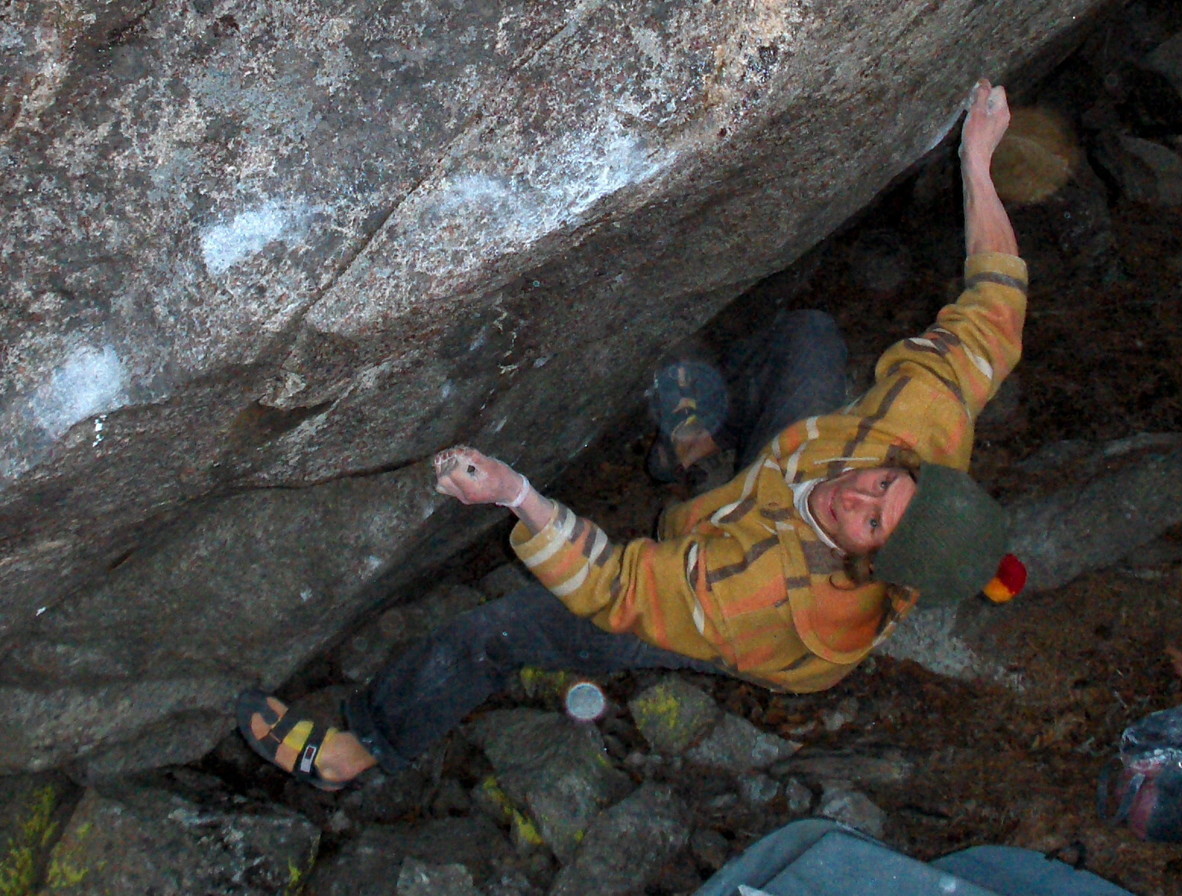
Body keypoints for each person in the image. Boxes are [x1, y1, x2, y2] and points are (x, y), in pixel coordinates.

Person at [238, 78, 1030, 790]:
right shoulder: (918, 432)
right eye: (885, 483)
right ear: (913, 467)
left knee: (502, 629)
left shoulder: (758, 596)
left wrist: (516, 495)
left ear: (872, 562)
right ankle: (694, 453)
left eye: (870, 520)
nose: (856, 493)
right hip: (770, 487)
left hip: (734, 609)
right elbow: (995, 314)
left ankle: (363, 748)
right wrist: (978, 161)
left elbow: (617, 586)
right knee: (810, 338)